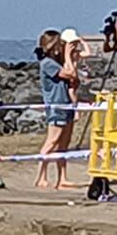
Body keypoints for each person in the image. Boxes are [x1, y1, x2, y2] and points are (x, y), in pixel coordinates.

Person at [35, 29, 80, 190]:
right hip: (56, 106)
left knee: (64, 144)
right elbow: (69, 74)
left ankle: (62, 178)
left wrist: (73, 57)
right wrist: (67, 56)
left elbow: (74, 76)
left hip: (65, 104)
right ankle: (41, 176)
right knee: (52, 140)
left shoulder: (56, 62)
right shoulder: (47, 63)